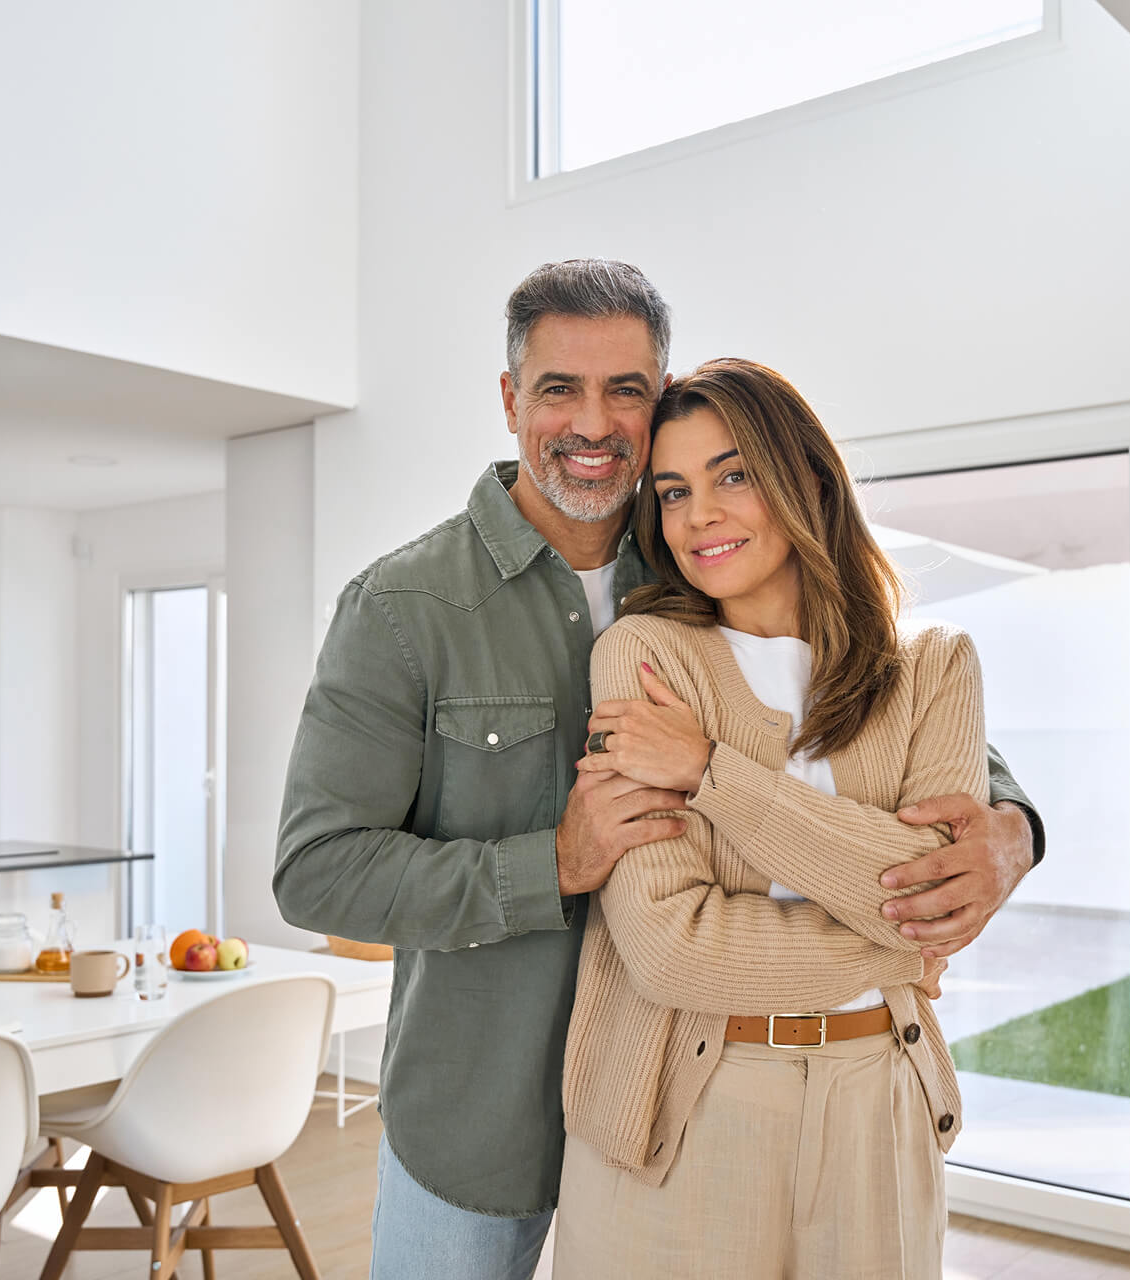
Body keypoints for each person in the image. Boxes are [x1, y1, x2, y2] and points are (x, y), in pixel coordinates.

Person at [275, 260, 1043, 1280]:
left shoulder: (695, 558)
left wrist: (1017, 828)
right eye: (559, 388)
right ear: (511, 400)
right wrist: (547, 861)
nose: (592, 422)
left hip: (673, 1099)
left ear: (655, 397)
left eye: (624, 390)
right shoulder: (404, 605)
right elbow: (316, 869)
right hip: (477, 1114)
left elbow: (886, 713)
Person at [558, 357, 982, 1277]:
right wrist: (908, 945)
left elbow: (942, 879)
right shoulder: (644, 657)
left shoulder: (935, 668)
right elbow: (673, 948)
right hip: (689, 1104)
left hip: (881, 1103)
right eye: (672, 492)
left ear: (810, 480)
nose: (698, 515)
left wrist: (711, 773)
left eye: (733, 474)